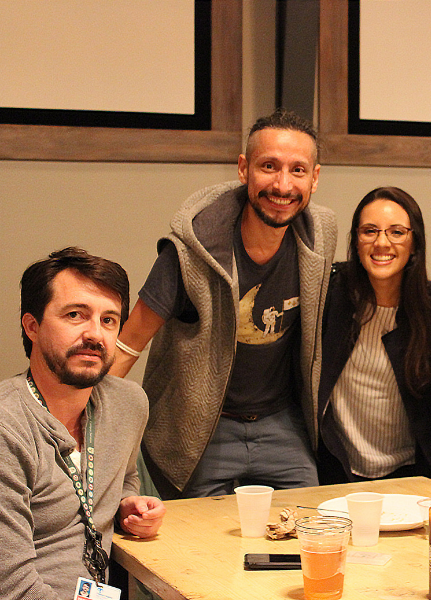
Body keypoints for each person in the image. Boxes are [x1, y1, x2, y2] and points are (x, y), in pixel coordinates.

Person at [110, 108, 338, 498]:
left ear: (315, 178)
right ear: (243, 168)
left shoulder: (320, 236)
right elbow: (129, 343)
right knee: (197, 547)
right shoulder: (190, 250)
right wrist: (74, 421)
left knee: (313, 535)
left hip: (281, 422)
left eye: (298, 170)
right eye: (269, 166)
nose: (283, 185)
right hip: (203, 429)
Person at [0, 248, 165, 600]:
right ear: (32, 326)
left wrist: (128, 504)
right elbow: (5, 588)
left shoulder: (128, 404)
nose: (95, 334)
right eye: (75, 315)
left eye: (109, 320)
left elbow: (124, 476)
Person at [317, 187, 431, 484]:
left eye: (396, 232)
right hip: (334, 471)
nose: (382, 243)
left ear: (414, 242)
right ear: (356, 241)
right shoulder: (329, 295)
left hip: (412, 476)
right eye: (370, 231)